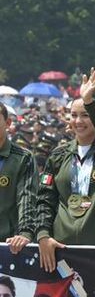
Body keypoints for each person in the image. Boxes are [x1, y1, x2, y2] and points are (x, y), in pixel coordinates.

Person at [6, 69, 95, 269]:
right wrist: (42, 235)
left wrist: (89, 101)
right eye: (73, 115)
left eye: (85, 115)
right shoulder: (58, 156)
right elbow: (45, 200)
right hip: (59, 249)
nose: (78, 121)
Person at [0, 101, 38, 244]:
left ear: (8, 123)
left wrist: (25, 233)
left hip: (7, 243)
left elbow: (26, 198)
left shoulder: (23, 158)